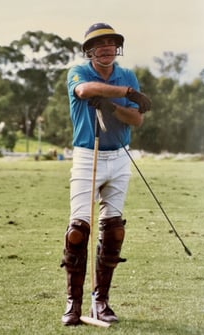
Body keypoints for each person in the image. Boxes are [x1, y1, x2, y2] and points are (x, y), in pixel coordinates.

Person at [61, 22, 151, 326]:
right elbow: (85, 90)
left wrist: (113, 106)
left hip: (119, 156)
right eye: (100, 44)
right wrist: (126, 93)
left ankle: (101, 302)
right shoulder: (78, 71)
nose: (107, 48)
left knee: (113, 230)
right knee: (77, 231)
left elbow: (135, 120)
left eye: (112, 43)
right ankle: (74, 304)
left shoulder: (127, 74)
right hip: (87, 155)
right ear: (89, 50)